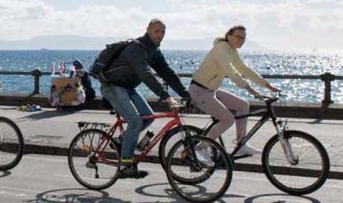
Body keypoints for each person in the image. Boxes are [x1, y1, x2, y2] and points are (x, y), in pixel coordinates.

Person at [99, 19, 190, 179]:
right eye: (157, 31)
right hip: (112, 86)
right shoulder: (137, 48)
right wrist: (166, 97)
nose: (160, 35)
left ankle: (121, 141)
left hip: (127, 87)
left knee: (148, 117)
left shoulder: (154, 51)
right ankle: (125, 165)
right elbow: (145, 74)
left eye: (163, 32)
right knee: (135, 121)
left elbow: (167, 73)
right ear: (147, 30)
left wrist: (186, 94)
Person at [189, 25, 280, 157]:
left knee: (243, 106)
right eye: (238, 37)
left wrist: (267, 85)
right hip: (199, 91)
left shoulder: (231, 50)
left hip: (211, 91)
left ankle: (241, 144)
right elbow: (230, 71)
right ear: (229, 36)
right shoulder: (221, 48)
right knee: (228, 119)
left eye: (243, 38)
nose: (241, 40)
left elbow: (243, 69)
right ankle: (201, 148)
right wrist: (249, 89)